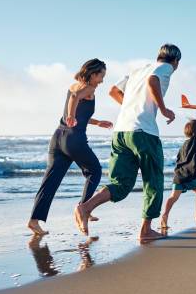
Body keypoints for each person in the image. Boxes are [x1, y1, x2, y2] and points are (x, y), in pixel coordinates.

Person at [74, 44, 180, 243]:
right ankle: (146, 230)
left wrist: (133, 106)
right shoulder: (165, 67)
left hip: (121, 132)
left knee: (120, 184)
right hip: (144, 133)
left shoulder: (137, 70)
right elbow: (153, 80)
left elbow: (114, 91)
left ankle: (85, 207)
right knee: (154, 181)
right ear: (175, 61)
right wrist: (164, 110)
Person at [27, 59, 112, 236]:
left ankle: (34, 221)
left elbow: (78, 110)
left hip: (58, 137)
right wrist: (72, 116)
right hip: (74, 138)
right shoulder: (89, 88)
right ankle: (84, 209)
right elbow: (74, 102)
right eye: (101, 76)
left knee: (50, 181)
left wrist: (97, 122)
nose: (102, 80)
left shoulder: (75, 85)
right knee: (94, 171)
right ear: (93, 73)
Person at [160, 108, 196, 229]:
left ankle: (165, 215)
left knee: (173, 197)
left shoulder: (183, 145)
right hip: (189, 176)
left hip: (178, 176)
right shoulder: (195, 141)